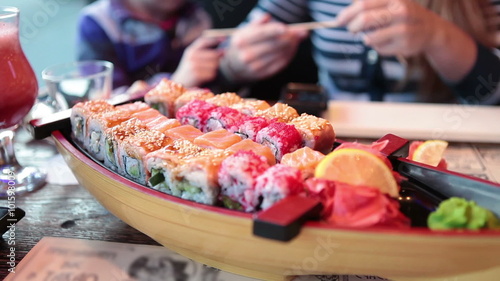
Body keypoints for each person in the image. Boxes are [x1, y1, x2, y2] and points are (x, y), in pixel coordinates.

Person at [219, 0, 500, 105]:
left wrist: (438, 36)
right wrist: (234, 65)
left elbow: (494, 93)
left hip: (442, 155)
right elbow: (230, 50)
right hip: (336, 141)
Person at [76, 0, 222, 90]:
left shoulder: (196, 15)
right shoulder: (97, 23)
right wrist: (175, 84)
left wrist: (230, 67)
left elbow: (210, 82)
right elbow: (106, 101)